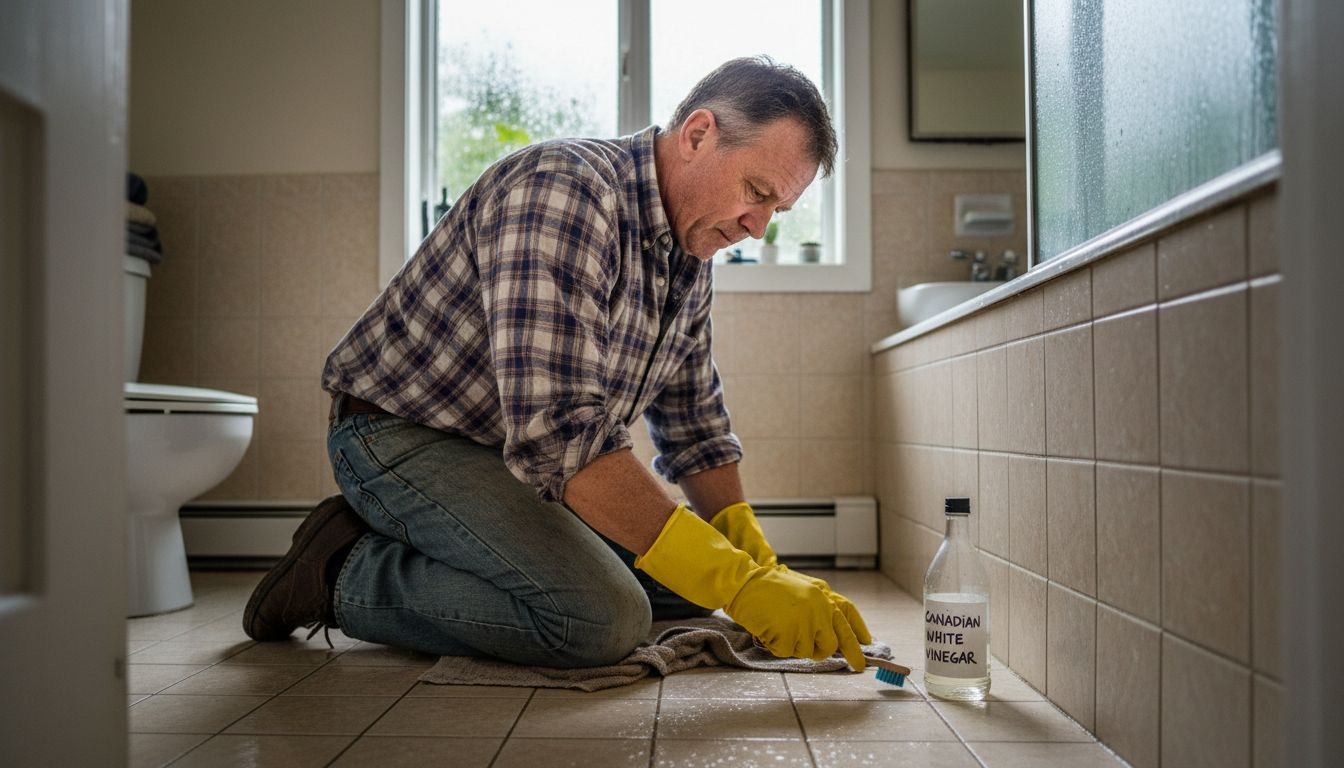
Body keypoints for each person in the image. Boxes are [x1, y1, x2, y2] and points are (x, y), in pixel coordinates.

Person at [242, 56, 872, 672]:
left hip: (511, 459)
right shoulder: (565, 191)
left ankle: (466, 543)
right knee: (600, 620)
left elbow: (695, 423)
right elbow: (560, 437)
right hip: (404, 437)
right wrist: (738, 582)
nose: (758, 227)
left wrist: (753, 560)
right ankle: (337, 569)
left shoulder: (689, 254)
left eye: (777, 211)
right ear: (698, 134)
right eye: (756, 192)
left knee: (696, 583)